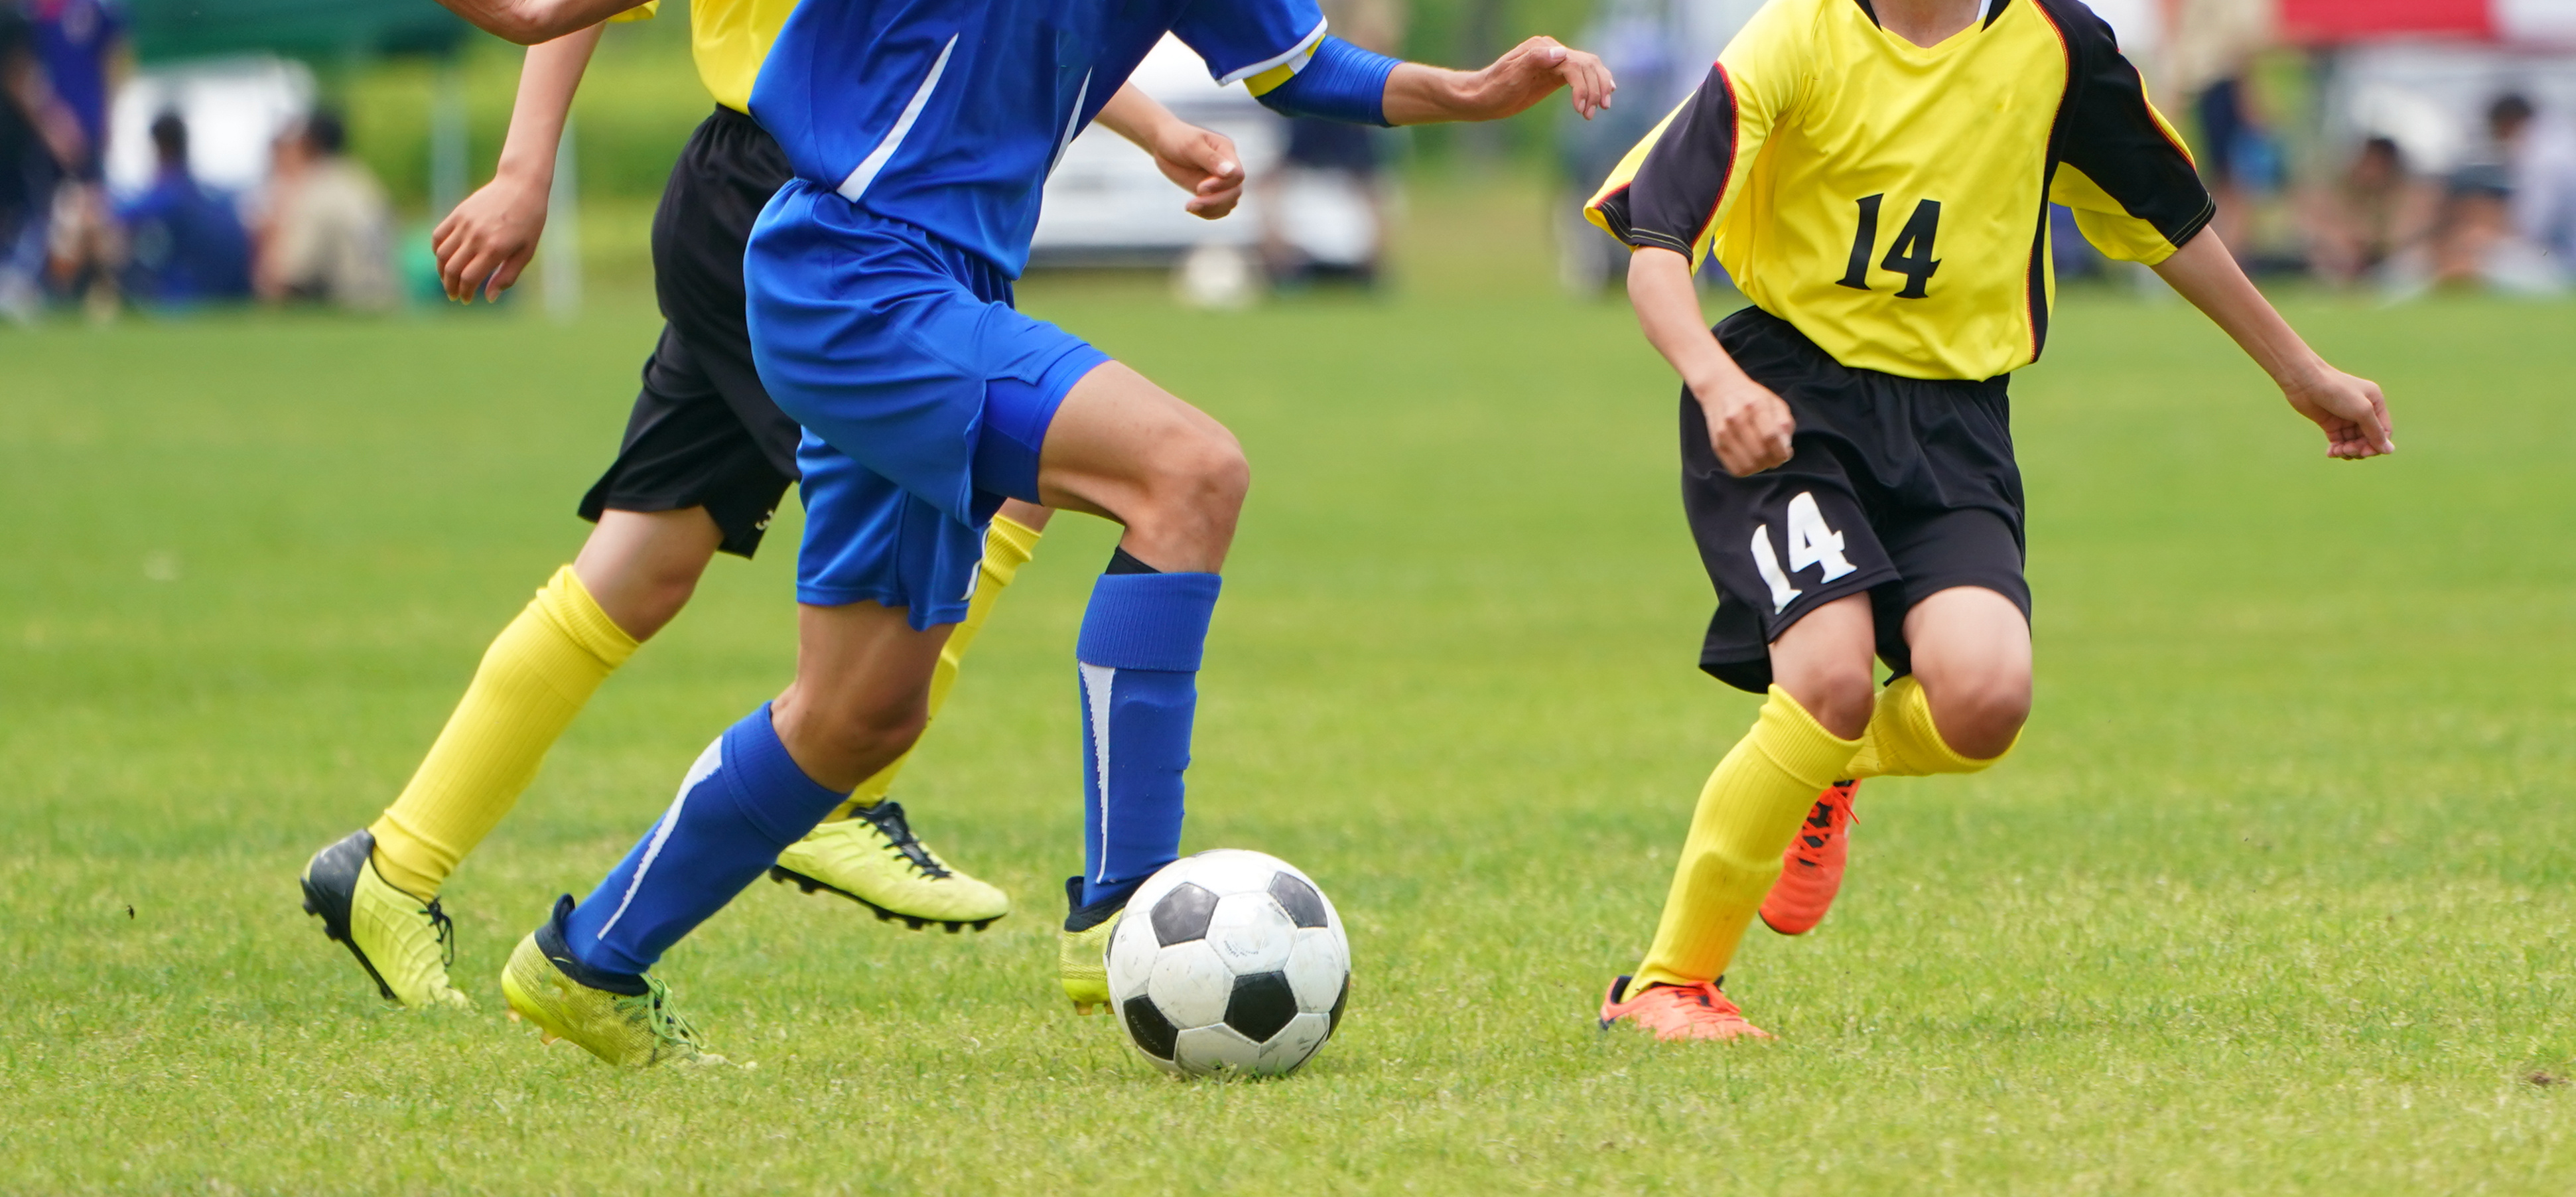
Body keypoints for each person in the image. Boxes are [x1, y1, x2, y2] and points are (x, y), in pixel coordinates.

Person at [425, 0, 1610, 1067]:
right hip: (847, 274)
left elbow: (1296, 66)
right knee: (1190, 472)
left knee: (857, 714)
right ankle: (1122, 910)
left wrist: (1466, 91)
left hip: (937, 292)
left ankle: (587, 961)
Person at [296, 6, 1234, 1010]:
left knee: (638, 569)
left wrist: (1160, 130)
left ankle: (391, 868)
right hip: (800, 210)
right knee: (1000, 472)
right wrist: (526, 171)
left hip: (799, 197)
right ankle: (848, 798)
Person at [1584, 0, 2393, 1042]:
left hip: (1954, 420)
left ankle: (1826, 770)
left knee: (1983, 700)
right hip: (1785, 400)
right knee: (1825, 676)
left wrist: (2302, 371)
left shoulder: (2058, 45)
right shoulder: (1796, 34)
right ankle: (1665, 986)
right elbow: (1656, 249)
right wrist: (1713, 380)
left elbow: (2166, 221)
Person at [254, 109, 395, 309]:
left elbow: (288, 276)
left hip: (345, 307)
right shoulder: (364, 180)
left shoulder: (317, 188)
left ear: (309, 142)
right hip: (386, 302)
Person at [115, 111, 251, 305]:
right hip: (232, 290)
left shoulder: (172, 191)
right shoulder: (205, 193)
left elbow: (122, 215)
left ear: (160, 147)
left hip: (190, 292)